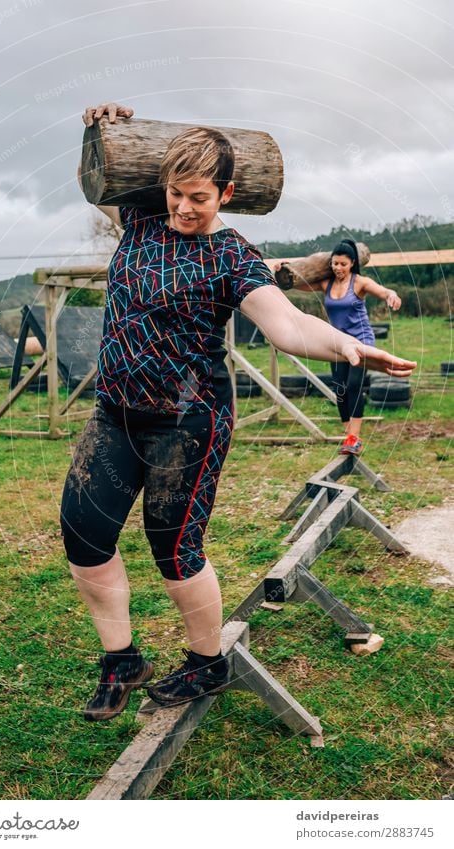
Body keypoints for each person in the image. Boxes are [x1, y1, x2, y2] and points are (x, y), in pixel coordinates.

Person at [60, 102, 415, 721]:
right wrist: (105, 126)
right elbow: (104, 177)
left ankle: (207, 663)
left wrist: (347, 345)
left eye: (198, 196)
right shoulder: (141, 220)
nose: (183, 208)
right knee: (84, 537)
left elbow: (288, 325)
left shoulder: (231, 255)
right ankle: (121, 660)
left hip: (188, 424)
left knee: (174, 550)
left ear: (226, 192)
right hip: (116, 412)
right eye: (174, 193)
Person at [270, 240, 402, 455]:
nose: (338, 268)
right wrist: (285, 270)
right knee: (339, 390)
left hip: (361, 342)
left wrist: (391, 295)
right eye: (334, 264)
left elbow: (383, 291)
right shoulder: (326, 284)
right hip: (337, 343)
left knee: (353, 386)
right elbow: (297, 283)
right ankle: (348, 437)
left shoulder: (360, 282)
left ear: (352, 264)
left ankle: (355, 438)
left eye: (343, 264)